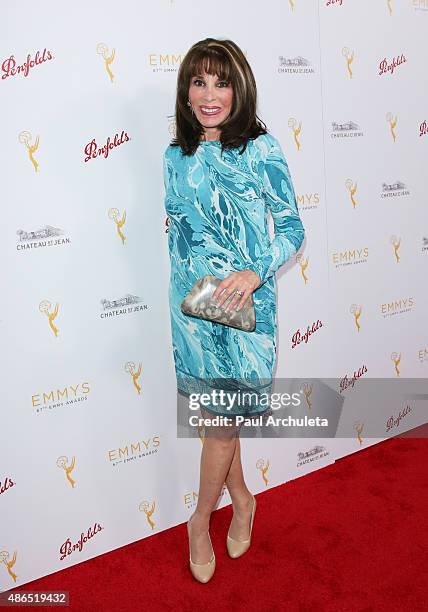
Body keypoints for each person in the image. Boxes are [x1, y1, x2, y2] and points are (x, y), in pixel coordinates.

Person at [163, 37, 305, 583]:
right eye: (198, 81)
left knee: (220, 426)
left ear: (238, 87)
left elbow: (292, 229)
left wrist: (254, 271)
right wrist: (184, 299)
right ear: (186, 90)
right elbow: (178, 236)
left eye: (220, 81)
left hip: (247, 312)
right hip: (194, 314)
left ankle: (199, 521)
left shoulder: (261, 150)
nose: (209, 93)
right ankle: (242, 499)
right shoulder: (175, 156)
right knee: (218, 423)